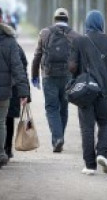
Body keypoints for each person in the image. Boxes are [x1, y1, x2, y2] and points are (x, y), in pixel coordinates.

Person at [68, 11, 107, 175]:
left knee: (87, 128)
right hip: (104, 91)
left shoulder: (79, 41)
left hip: (86, 91)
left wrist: (76, 75)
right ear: (101, 23)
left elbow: (72, 67)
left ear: (87, 23)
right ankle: (102, 153)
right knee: (105, 124)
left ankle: (89, 165)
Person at [31, 8, 80, 153]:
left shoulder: (45, 33)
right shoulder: (75, 35)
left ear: (54, 19)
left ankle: (57, 138)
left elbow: (37, 55)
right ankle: (60, 138)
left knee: (52, 108)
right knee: (63, 108)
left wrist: (34, 75)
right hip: (67, 76)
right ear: (67, 19)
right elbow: (78, 59)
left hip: (49, 75)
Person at [0, 7, 29, 168]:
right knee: (1, 123)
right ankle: (0, 154)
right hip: (4, 92)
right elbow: (18, 67)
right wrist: (23, 92)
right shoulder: (10, 41)